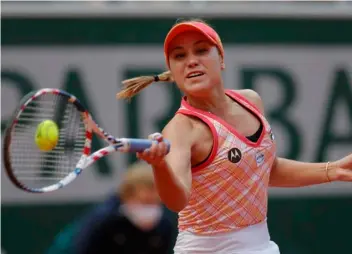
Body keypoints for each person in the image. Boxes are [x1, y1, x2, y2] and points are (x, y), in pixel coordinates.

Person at [116, 18, 352, 254]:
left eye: (201, 50)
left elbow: (263, 168)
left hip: (261, 245)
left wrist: (332, 170)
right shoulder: (181, 129)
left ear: (221, 59)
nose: (191, 61)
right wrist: (160, 166)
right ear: (173, 71)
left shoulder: (250, 100)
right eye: (180, 56)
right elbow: (177, 201)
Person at [46, 161, 175, 254]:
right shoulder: (102, 221)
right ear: (127, 195)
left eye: (156, 201)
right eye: (145, 201)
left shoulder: (164, 226)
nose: (151, 208)